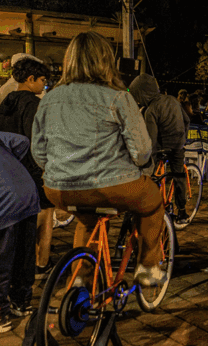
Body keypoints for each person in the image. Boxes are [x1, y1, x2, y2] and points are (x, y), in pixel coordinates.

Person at [31, 31, 165, 286]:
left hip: (59, 190)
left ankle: (80, 282)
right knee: (153, 203)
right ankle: (149, 268)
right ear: (106, 60)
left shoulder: (50, 99)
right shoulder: (117, 96)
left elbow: (38, 152)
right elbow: (141, 151)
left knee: (88, 221)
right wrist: (139, 166)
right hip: (109, 187)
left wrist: (61, 171)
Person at [0, 57, 55, 278]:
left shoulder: (6, 101)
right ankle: (42, 263)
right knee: (45, 213)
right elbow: (36, 141)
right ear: (31, 79)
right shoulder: (33, 104)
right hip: (31, 169)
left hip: (9, 169)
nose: (44, 86)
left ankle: (19, 262)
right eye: (42, 80)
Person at [129, 73, 192, 225]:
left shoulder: (151, 110)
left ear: (143, 94)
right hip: (178, 145)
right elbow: (187, 120)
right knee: (179, 175)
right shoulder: (173, 100)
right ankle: (182, 211)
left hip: (163, 147)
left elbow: (152, 139)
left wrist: (147, 161)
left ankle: (151, 204)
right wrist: (184, 137)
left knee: (152, 175)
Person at [0, 131, 40, 331]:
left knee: (2, 259)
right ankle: (21, 302)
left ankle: (1, 315)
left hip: (4, 199)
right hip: (26, 190)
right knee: (24, 252)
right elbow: (22, 141)